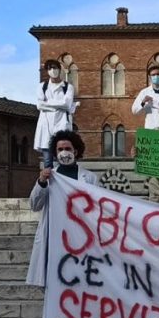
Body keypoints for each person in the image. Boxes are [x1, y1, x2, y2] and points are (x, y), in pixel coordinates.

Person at [27, 131, 98, 286]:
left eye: (67, 148)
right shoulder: (48, 176)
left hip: (80, 237)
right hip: (55, 237)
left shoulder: (90, 178)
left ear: (75, 151)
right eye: (60, 149)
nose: (64, 152)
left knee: (78, 281)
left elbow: (99, 208)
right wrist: (41, 182)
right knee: (54, 282)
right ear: (55, 152)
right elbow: (34, 205)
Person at [34, 59, 76, 169]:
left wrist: (48, 104)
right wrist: (58, 106)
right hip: (46, 127)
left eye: (55, 68)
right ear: (47, 71)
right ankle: (50, 186)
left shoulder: (68, 87)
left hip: (62, 124)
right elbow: (39, 105)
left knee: (63, 160)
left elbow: (67, 104)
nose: (53, 71)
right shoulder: (42, 87)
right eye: (50, 68)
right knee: (48, 163)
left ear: (60, 69)